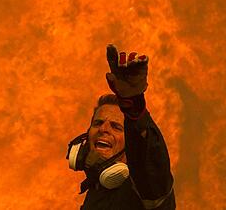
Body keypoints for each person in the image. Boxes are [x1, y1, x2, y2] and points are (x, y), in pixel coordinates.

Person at [66, 44, 176, 209]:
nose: (103, 129)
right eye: (98, 123)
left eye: (116, 127)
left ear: (130, 147)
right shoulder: (94, 193)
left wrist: (133, 104)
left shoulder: (146, 188)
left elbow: (149, 158)